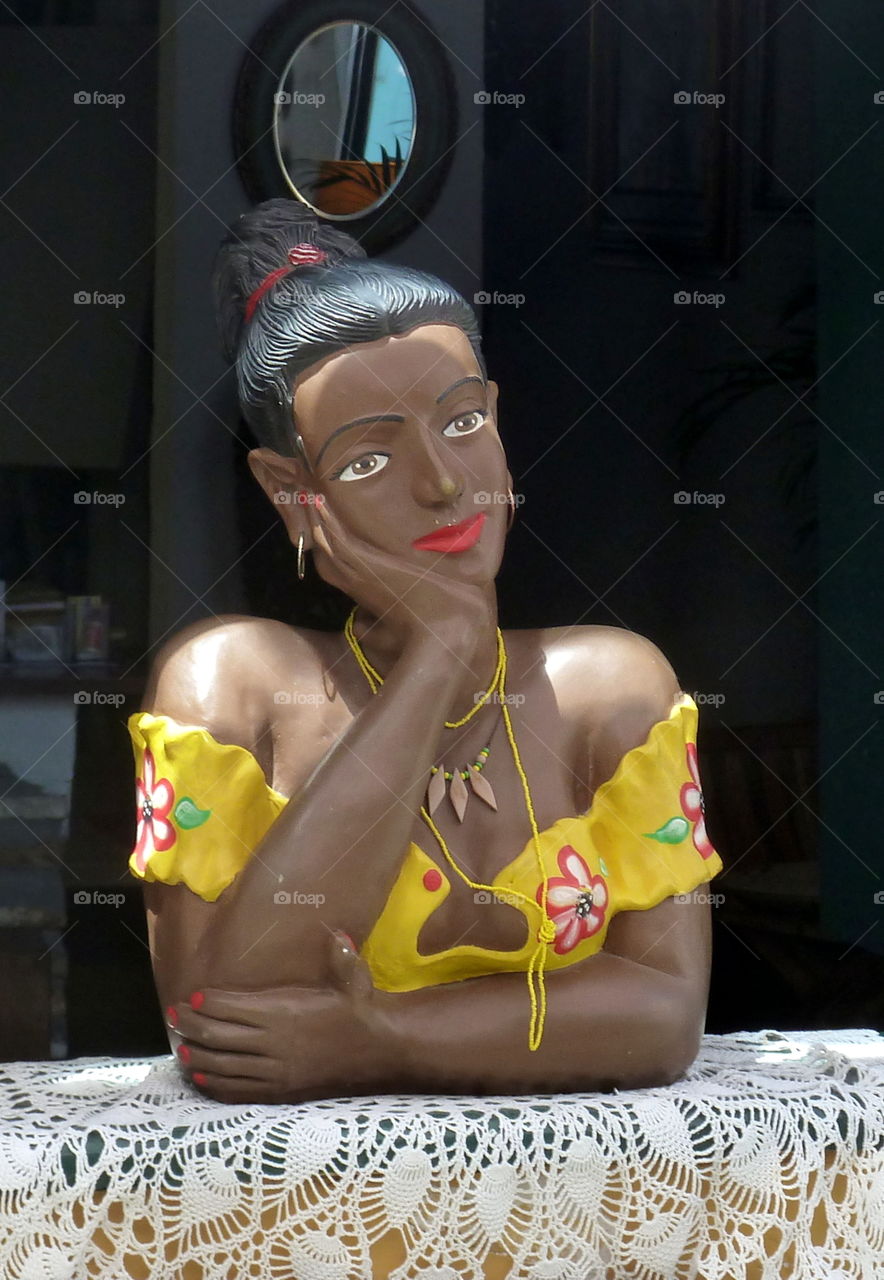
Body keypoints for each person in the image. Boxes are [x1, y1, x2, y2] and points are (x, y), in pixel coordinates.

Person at [128, 197, 724, 1104]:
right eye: (370, 459)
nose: (444, 483)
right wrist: (439, 652)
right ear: (294, 492)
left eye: (461, 424)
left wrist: (382, 1038)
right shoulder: (232, 685)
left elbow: (665, 1016)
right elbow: (230, 1024)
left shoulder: (612, 686)